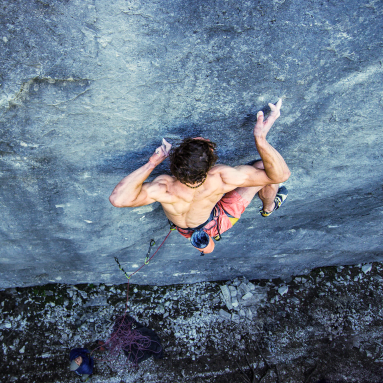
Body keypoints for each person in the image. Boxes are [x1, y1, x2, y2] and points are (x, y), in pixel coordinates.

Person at [109, 99, 291, 253]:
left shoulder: (163, 187)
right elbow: (280, 175)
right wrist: (260, 137)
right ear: (210, 166)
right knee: (261, 167)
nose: (204, 139)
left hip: (185, 228)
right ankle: (269, 207)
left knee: (205, 243)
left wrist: (152, 163)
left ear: (172, 162)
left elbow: (118, 199)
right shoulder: (220, 177)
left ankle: (204, 242)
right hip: (219, 220)